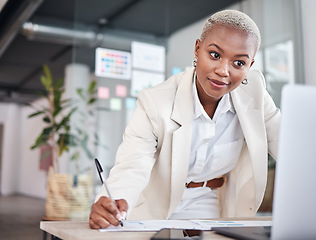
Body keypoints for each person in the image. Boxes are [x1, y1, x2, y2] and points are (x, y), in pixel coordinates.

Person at [89, 9, 280, 229]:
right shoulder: (155, 102)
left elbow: (287, 145)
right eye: (215, 55)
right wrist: (114, 201)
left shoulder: (254, 94)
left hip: (210, 201)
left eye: (238, 63)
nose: (223, 70)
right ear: (198, 49)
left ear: (250, 67)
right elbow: (133, 165)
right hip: (155, 204)